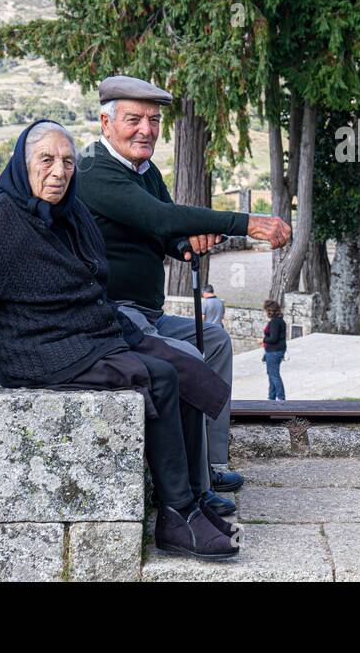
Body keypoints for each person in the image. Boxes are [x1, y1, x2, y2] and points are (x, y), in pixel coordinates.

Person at [0, 120, 238, 560]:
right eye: (46, 161)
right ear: (23, 166)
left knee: (186, 366)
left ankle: (196, 499)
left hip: (92, 331)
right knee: (156, 377)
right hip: (40, 351)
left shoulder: (72, 213)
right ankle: (176, 517)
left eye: (66, 162)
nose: (58, 172)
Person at [75, 76, 292, 515]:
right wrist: (246, 223)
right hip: (113, 317)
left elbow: (162, 233)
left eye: (153, 121)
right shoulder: (95, 171)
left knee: (214, 341)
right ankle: (192, 489)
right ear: (105, 121)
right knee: (185, 356)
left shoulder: (146, 172)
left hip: (145, 313)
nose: (146, 130)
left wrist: (183, 245)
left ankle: (210, 465)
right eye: (134, 119)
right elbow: (161, 216)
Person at [261, 299, 287, 401]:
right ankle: (271, 398)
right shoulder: (280, 321)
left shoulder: (274, 322)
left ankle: (281, 398)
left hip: (274, 351)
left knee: (274, 375)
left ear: (269, 311)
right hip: (276, 351)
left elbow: (273, 338)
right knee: (271, 374)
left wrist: (262, 340)